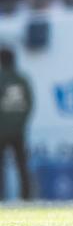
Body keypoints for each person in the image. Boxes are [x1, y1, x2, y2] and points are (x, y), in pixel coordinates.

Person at [0, 46, 32, 200]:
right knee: (22, 165)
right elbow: (30, 104)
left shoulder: (1, 79)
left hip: (2, 130)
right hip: (19, 130)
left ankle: (2, 196)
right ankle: (26, 196)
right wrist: (21, 122)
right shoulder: (22, 79)